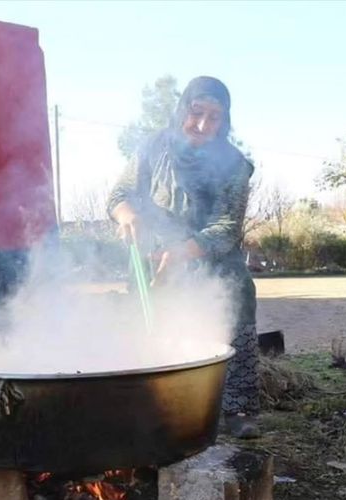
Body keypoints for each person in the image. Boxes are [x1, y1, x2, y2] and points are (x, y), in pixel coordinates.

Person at [107, 76, 261, 439]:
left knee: (232, 315)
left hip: (213, 263)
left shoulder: (233, 163)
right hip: (154, 260)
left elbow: (226, 227)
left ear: (225, 122)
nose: (204, 125)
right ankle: (156, 405)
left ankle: (237, 408)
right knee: (149, 331)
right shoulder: (152, 148)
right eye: (197, 112)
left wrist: (184, 252)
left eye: (214, 117)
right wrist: (127, 215)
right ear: (183, 110)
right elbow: (118, 195)